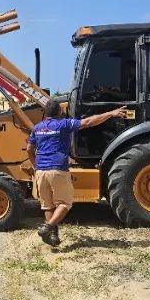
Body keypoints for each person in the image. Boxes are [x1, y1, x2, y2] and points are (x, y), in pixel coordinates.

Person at [26, 100, 128, 246]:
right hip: (58, 170)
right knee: (65, 203)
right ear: (60, 112)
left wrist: (36, 165)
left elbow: (29, 149)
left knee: (48, 206)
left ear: (45, 113)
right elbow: (88, 122)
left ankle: (52, 236)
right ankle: (47, 227)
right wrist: (111, 113)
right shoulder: (64, 124)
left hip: (41, 171)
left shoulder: (37, 128)